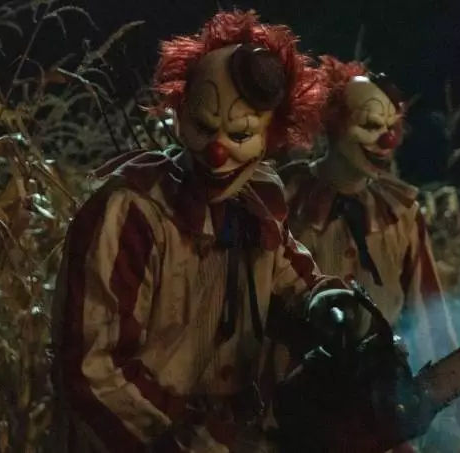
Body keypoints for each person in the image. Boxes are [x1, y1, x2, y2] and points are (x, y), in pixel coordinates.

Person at [50, 12, 364, 453]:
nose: (217, 152)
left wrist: (327, 305)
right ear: (180, 113)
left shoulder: (257, 202)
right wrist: (182, 439)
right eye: (203, 126)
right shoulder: (130, 214)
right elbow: (93, 368)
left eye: (240, 133)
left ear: (271, 134)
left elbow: (290, 279)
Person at [278, 55, 460, 451]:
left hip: (376, 406)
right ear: (333, 123)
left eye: (391, 127)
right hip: (299, 403)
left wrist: (456, 391)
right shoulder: (286, 199)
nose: (386, 139)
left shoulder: (399, 213)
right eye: (370, 126)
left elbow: (428, 307)